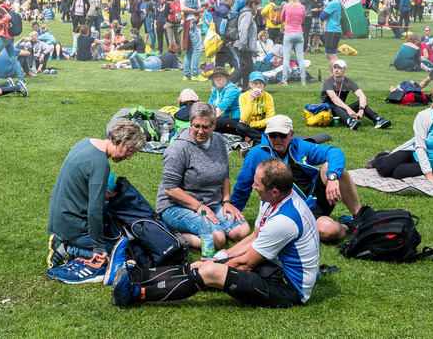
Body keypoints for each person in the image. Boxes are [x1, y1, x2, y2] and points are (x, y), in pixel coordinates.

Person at [112, 157, 318, 308]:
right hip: (275, 270)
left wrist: (212, 265)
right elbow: (254, 238)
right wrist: (221, 256)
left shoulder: (284, 220)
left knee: (209, 272)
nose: (253, 186)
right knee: (203, 265)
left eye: (257, 184)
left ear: (274, 191)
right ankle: (135, 275)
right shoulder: (275, 199)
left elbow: (246, 263)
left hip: (288, 290)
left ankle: (135, 294)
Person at [46, 121, 146, 283]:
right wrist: (98, 247)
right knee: (126, 255)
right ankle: (66, 248)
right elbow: (94, 211)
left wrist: (100, 193)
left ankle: (65, 241)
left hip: (62, 218)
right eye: (129, 151)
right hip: (73, 226)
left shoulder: (87, 143)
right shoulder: (100, 163)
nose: (128, 157)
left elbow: (81, 184)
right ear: (120, 141)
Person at [230, 115, 358, 242]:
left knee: (331, 166)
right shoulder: (255, 155)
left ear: (291, 134)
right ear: (267, 135)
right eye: (273, 135)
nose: (277, 139)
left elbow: (334, 152)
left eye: (283, 135)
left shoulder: (300, 146)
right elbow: (243, 186)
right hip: (288, 211)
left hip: (314, 200)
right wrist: (232, 213)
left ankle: (358, 218)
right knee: (330, 230)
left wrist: (332, 177)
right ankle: (347, 226)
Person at [157, 102, 251, 251]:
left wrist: (227, 201)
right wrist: (199, 207)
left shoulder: (219, 141)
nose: (200, 131)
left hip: (212, 202)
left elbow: (225, 174)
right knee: (216, 239)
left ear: (213, 125)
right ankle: (172, 235)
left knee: (242, 230)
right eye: (196, 126)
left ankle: (210, 226)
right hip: (177, 206)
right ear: (190, 123)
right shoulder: (178, 149)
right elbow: (170, 189)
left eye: (205, 127)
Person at [321, 59, 390, 130]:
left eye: (339, 68)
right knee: (333, 105)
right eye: (335, 67)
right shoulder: (328, 82)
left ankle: (377, 120)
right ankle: (349, 121)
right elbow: (334, 98)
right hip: (327, 111)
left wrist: (361, 109)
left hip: (341, 109)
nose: (336, 70)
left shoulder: (348, 82)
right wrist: (348, 109)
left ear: (345, 70)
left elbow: (362, 96)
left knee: (359, 103)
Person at [280, 0, 307, 86]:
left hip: (288, 32)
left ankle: (285, 80)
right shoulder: (302, 7)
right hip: (299, 32)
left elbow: (282, 18)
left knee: (286, 58)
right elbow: (302, 20)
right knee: (301, 58)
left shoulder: (286, 6)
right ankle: (303, 80)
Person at [180, 0, 204, 82]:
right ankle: (195, 73)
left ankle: (186, 74)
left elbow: (183, 8)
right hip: (193, 23)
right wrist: (196, 12)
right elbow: (199, 9)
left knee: (189, 50)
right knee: (197, 49)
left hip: (186, 24)